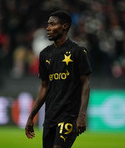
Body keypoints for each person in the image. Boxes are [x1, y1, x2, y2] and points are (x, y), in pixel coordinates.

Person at [25, 10, 91, 148]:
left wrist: (82, 115)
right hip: (50, 117)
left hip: (69, 115)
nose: (48, 28)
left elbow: (85, 83)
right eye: (48, 24)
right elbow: (44, 87)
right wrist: (32, 116)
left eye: (52, 24)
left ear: (64, 26)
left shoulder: (78, 51)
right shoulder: (44, 54)